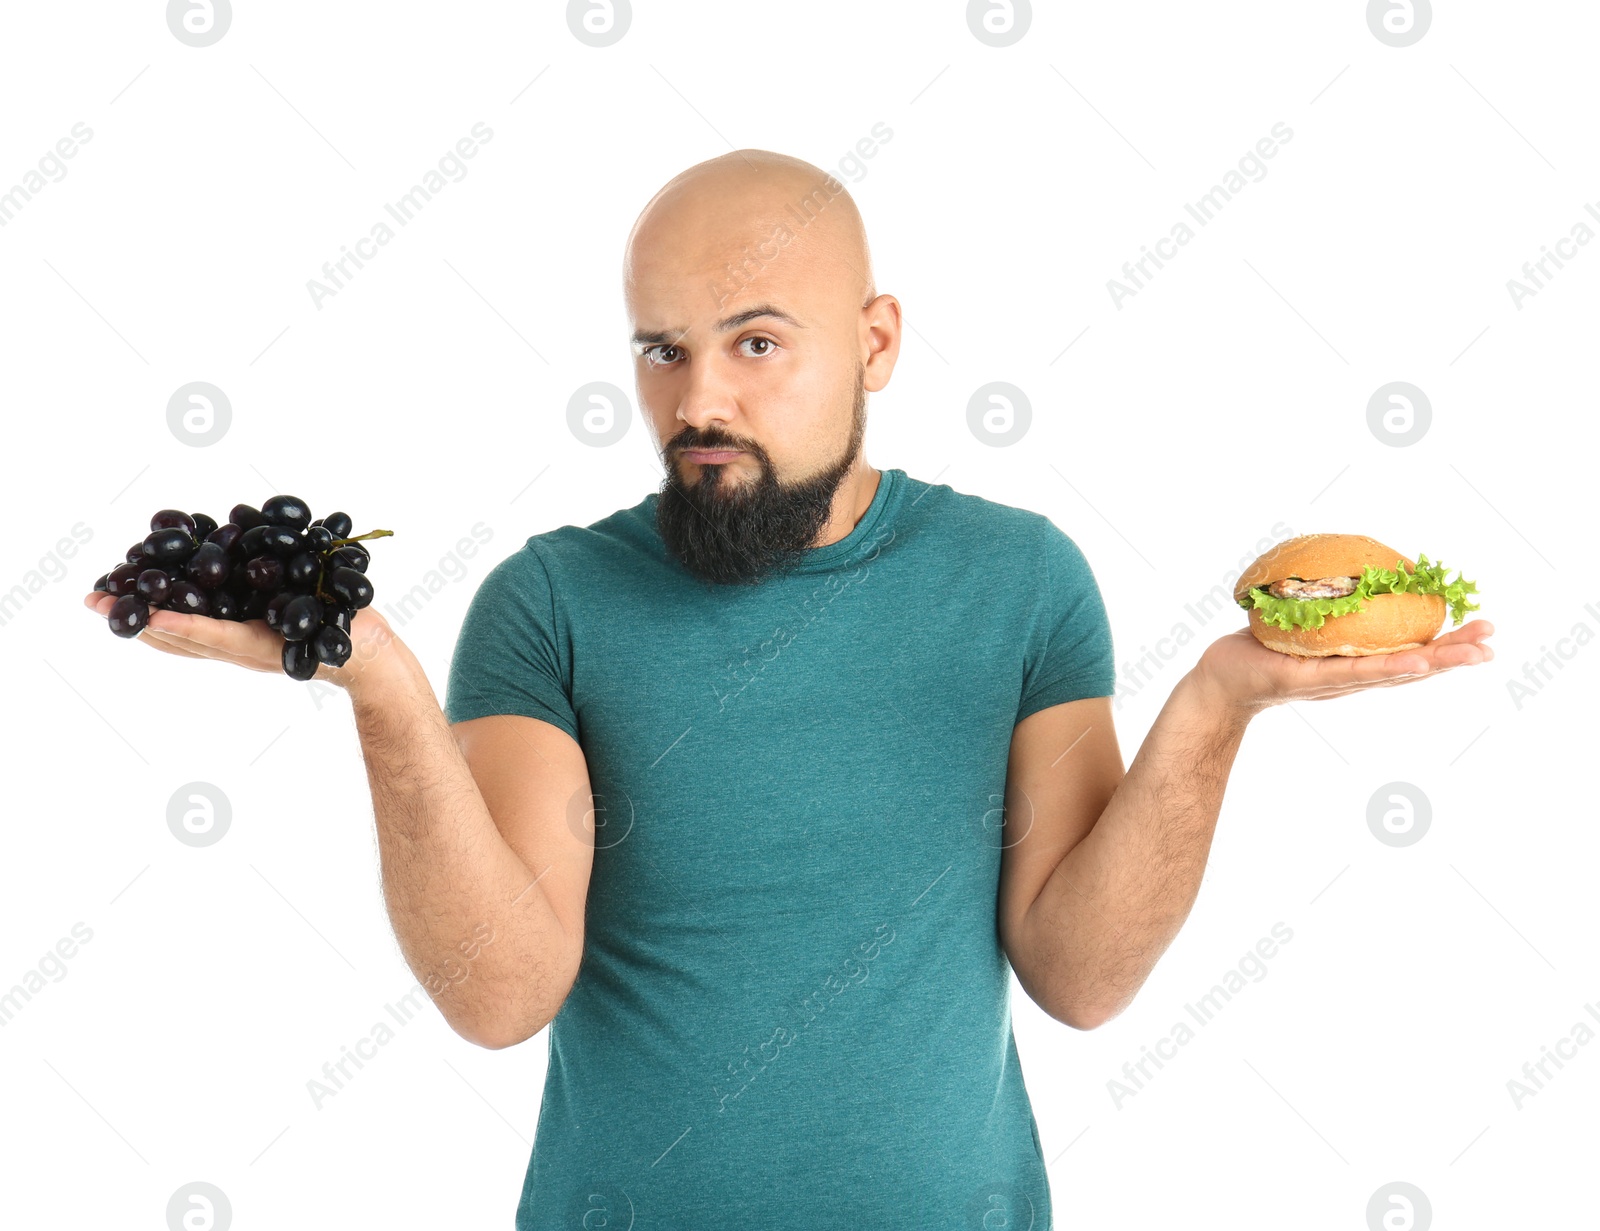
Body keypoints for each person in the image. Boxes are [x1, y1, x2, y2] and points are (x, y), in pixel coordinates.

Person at [85, 149, 1494, 1229]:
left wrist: (1215, 708)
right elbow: (502, 995)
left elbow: (1080, 975)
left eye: (758, 343)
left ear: (876, 343)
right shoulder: (553, 600)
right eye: (664, 350)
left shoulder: (1021, 581)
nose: (701, 402)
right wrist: (381, 690)